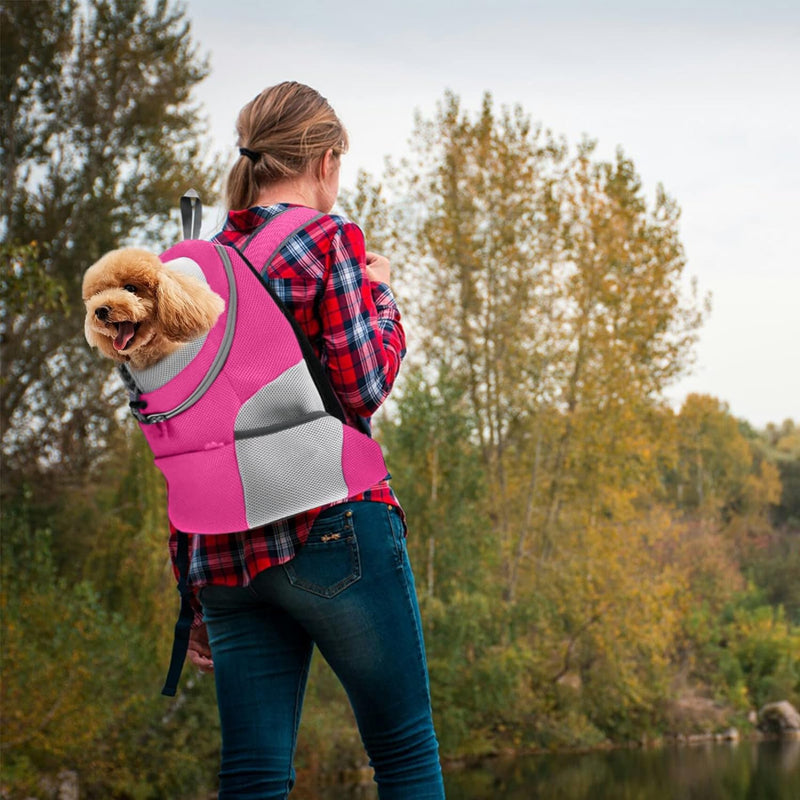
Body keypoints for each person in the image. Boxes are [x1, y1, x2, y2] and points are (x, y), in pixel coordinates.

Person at [170, 81, 446, 800]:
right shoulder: (326, 243)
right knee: (405, 752)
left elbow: (187, 439)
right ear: (326, 163)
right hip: (333, 528)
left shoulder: (196, 269)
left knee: (255, 775)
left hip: (225, 551)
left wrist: (192, 586)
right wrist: (380, 293)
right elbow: (363, 386)